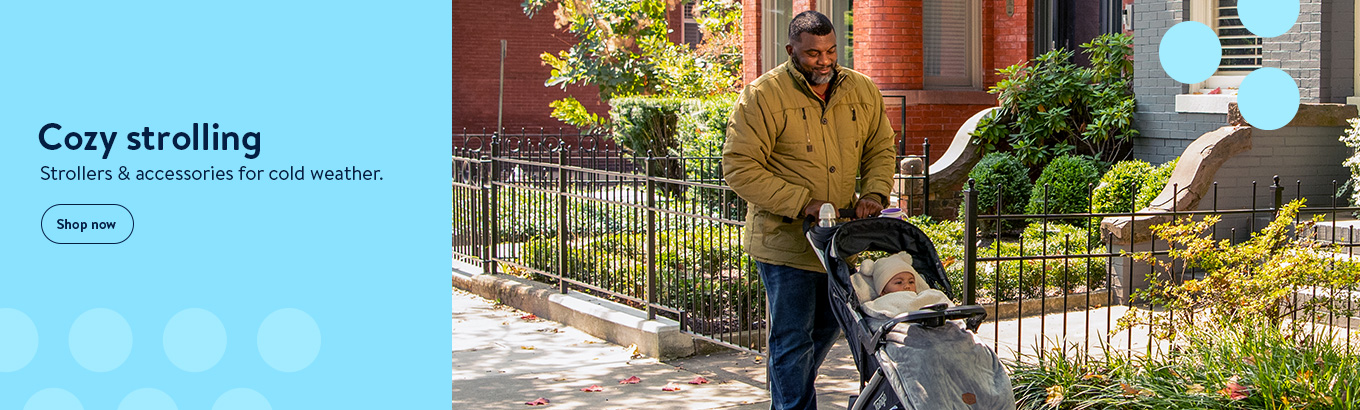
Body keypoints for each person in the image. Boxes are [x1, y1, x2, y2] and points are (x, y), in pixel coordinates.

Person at [720, 9, 897, 410]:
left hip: (838, 242)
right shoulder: (763, 95)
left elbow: (880, 148)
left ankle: (786, 389)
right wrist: (804, 203)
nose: (825, 61)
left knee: (826, 329)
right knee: (792, 338)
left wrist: (874, 192)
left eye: (831, 51)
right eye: (813, 53)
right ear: (791, 50)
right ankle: (792, 403)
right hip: (786, 244)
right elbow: (739, 167)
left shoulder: (862, 90)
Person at [853, 252, 953, 320]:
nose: (907, 286)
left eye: (911, 282)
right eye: (899, 283)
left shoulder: (923, 296)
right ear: (883, 291)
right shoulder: (879, 304)